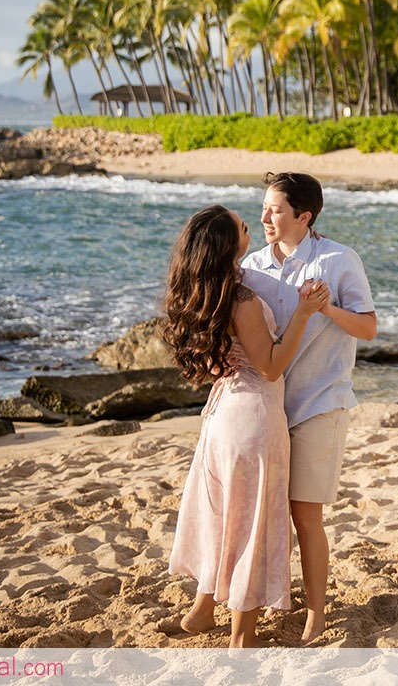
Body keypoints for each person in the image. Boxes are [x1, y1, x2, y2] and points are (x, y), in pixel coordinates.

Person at [161, 204, 329, 647]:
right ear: (226, 243)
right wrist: (304, 313)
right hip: (253, 417)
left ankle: (201, 610)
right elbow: (271, 367)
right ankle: (242, 636)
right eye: (241, 226)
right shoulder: (242, 299)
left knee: (222, 515)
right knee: (252, 523)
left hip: (220, 417)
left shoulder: (203, 291)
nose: (250, 227)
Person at [244, 172, 377, 642]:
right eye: (263, 207)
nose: (264, 217)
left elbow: (367, 328)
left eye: (275, 210)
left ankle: (316, 612)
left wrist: (324, 309)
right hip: (267, 407)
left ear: (304, 216)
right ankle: (262, 600)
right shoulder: (253, 265)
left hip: (322, 402)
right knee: (264, 514)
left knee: (305, 516)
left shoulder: (340, 260)